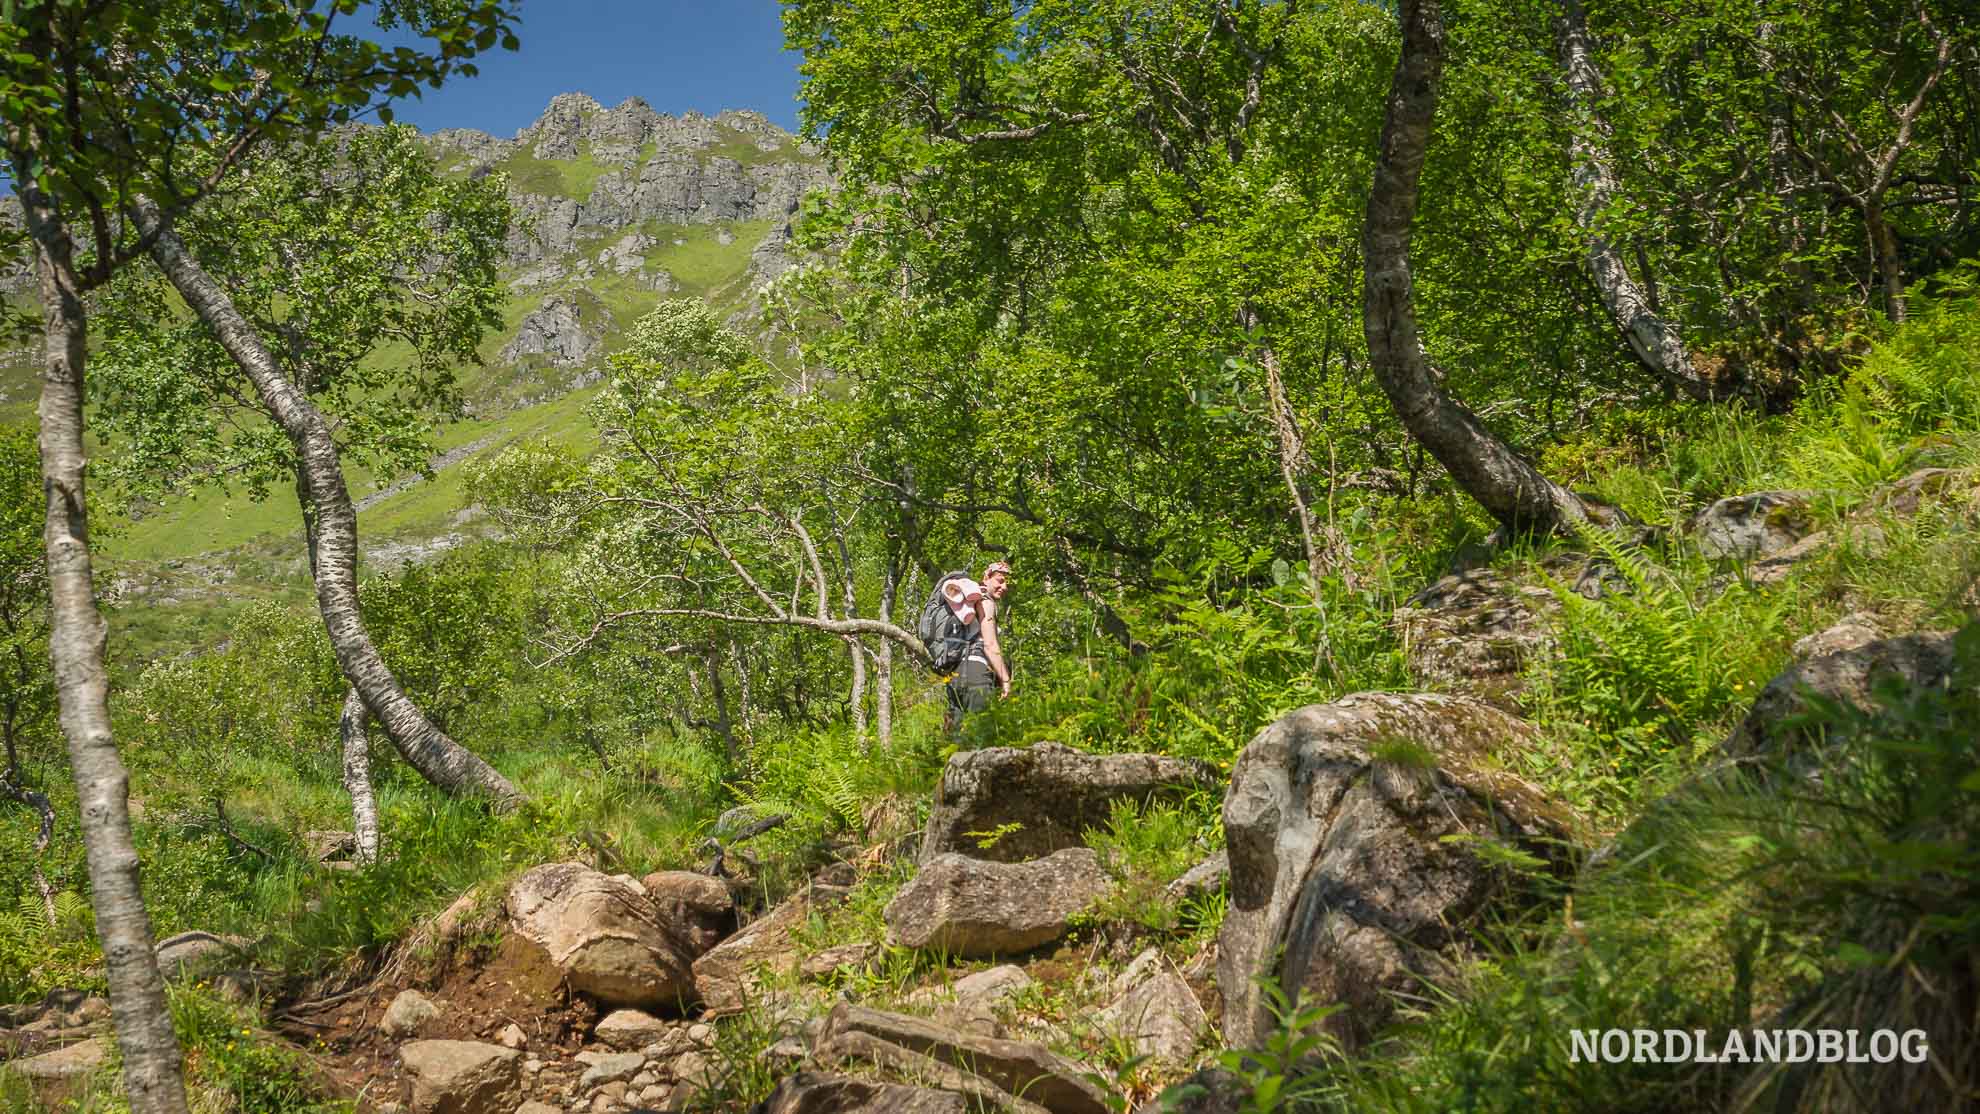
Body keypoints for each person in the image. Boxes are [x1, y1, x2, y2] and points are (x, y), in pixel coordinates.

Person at [945, 560, 1013, 733]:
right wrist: (1005, 680)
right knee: (982, 736)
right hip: (976, 674)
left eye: (1007, 583)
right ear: (986, 578)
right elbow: (990, 645)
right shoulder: (986, 603)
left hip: (955, 676)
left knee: (956, 740)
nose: (1004, 587)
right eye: (1000, 580)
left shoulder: (968, 605)